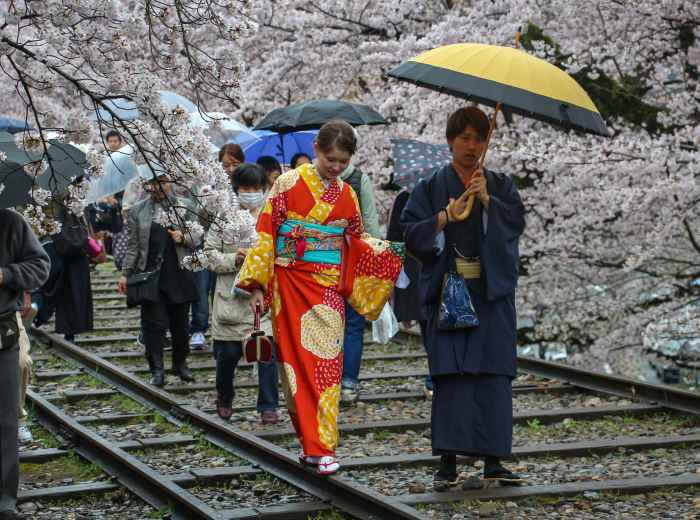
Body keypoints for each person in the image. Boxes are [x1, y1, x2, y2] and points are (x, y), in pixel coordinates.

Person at [237, 120, 404, 475]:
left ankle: (322, 445)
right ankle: (310, 443)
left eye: (343, 161)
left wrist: (387, 263)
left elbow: (357, 242)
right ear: (316, 149)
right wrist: (256, 285)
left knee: (328, 367)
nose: (336, 167)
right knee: (296, 368)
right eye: (331, 158)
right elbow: (265, 232)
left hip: (327, 288)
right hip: (289, 282)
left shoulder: (347, 194)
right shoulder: (287, 183)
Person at [401, 106, 526, 490]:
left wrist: (488, 200)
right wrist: (443, 218)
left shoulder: (499, 184)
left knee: (493, 374)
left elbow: (516, 223)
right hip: (449, 292)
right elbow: (408, 232)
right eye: (465, 138)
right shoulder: (430, 187)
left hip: (489, 295)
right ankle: (448, 464)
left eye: (480, 138)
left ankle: (493, 461)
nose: (472, 146)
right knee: (452, 377)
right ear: (450, 140)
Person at [204, 163, 280, 424]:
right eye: (245, 188)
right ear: (236, 190)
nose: (251, 193)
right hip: (230, 299)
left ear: (264, 189)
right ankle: (224, 396)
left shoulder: (271, 217)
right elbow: (209, 255)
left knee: (266, 354)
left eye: (256, 188)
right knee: (228, 356)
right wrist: (234, 258)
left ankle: (268, 406)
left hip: (262, 299)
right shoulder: (223, 217)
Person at [117, 166, 201, 387]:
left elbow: (198, 238)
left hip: (179, 273)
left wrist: (183, 238)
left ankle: (180, 363)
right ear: (147, 185)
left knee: (181, 326)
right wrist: (126, 274)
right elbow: (134, 247)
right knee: (153, 326)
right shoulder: (138, 211)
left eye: (163, 181)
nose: (159, 187)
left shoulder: (186, 206)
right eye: (154, 183)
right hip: (151, 276)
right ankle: (157, 369)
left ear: (170, 182)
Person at [0, 209, 51, 520]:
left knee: (5, 418)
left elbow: (40, 265)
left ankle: (4, 499)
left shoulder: (10, 222)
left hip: (1, 330)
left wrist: (6, 275)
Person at [338, 141, 381, 403]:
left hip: (321, 261)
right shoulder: (358, 178)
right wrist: (375, 260)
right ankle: (349, 384)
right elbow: (371, 223)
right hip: (354, 259)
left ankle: (325, 381)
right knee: (354, 325)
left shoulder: (311, 177)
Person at [386, 187, 432, 399]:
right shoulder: (444, 192)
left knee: (431, 324)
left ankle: (436, 376)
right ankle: (436, 375)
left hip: (419, 268)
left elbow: (394, 239)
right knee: (433, 324)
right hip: (420, 268)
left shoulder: (406, 197)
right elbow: (395, 240)